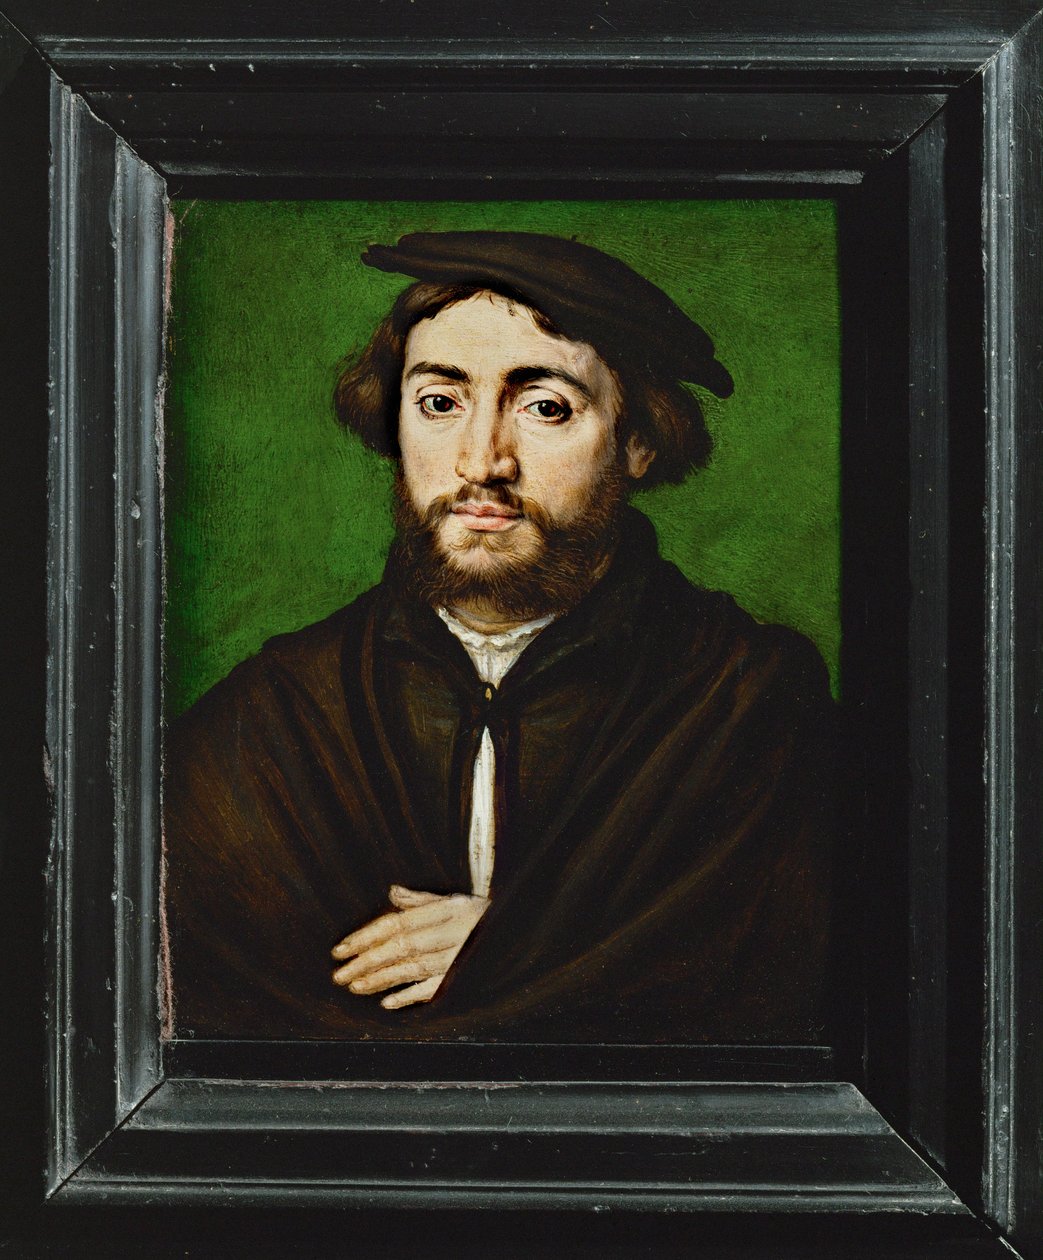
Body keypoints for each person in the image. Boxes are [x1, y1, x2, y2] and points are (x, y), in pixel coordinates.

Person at [163, 231, 835, 1043]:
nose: (481, 462)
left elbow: (782, 979)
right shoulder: (276, 714)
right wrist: (559, 955)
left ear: (638, 442)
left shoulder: (743, 698)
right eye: (439, 403)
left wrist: (502, 946)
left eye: (544, 407)